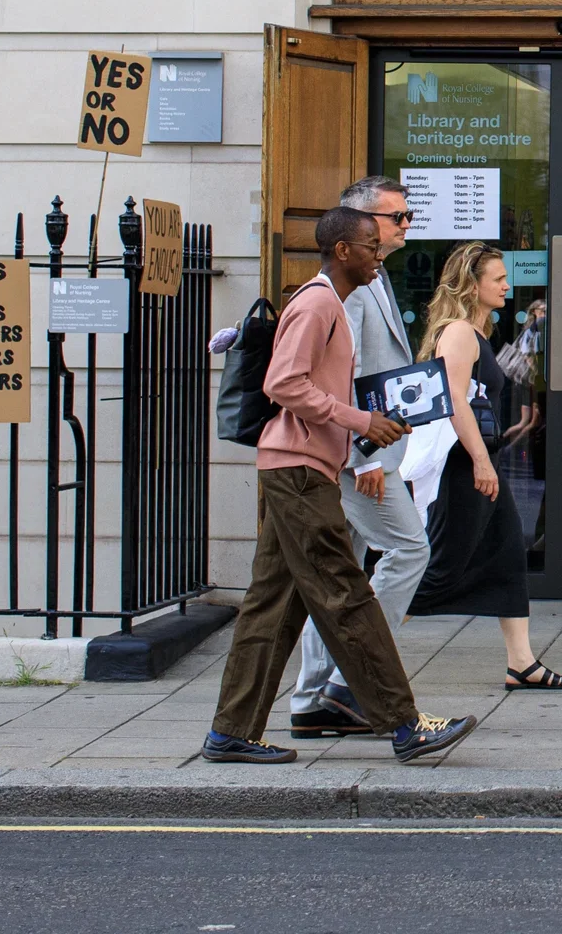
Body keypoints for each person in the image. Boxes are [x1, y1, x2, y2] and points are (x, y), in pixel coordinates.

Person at [201, 208, 478, 764]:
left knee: (272, 607)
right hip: (299, 471)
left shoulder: (329, 302)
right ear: (342, 251)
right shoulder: (319, 301)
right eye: (371, 244)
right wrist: (360, 423)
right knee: (346, 594)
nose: (380, 254)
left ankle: (231, 731)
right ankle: (404, 724)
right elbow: (283, 383)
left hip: (300, 467)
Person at [290, 177, 431, 740]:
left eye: (406, 216)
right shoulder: (346, 286)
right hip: (355, 456)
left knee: (338, 577)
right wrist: (363, 456)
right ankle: (352, 685)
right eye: (397, 217)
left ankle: (310, 700)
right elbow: (337, 375)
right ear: (359, 223)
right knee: (409, 548)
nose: (405, 226)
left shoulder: (375, 276)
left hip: (362, 451)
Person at [403, 243, 562, 690]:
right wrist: (481, 461)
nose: (506, 285)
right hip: (464, 464)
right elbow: (454, 400)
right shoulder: (459, 332)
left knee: (506, 556)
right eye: (498, 278)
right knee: (441, 566)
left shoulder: (477, 331)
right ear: (471, 283)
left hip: (479, 459)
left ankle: (522, 662)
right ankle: (352, 653)